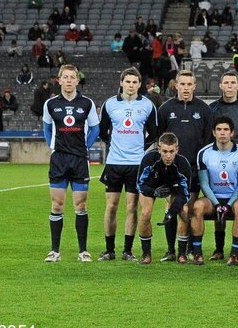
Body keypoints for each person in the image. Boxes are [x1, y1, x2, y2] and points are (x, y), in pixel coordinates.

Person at [97, 67, 158, 262]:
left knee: (132, 207)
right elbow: (102, 131)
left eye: (134, 82)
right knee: (111, 206)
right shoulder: (110, 104)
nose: (131, 85)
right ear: (121, 83)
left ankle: (127, 250)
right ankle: (109, 250)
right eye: (127, 81)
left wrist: (141, 146)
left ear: (139, 85)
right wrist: (114, 144)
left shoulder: (147, 105)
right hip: (114, 163)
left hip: (136, 165)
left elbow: (154, 132)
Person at [42, 64, 101, 262]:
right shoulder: (50, 104)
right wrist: (52, 147)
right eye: (65, 77)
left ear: (77, 80)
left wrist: (85, 147)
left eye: (72, 77)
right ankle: (54, 252)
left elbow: (95, 129)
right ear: (59, 80)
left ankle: (83, 251)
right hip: (59, 159)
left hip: (79, 160)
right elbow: (47, 128)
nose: (68, 80)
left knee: (81, 205)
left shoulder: (87, 103)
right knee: (57, 205)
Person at [156, 69, 213, 262]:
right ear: (176, 85)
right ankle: (171, 250)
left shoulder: (204, 110)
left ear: (194, 86)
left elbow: (207, 142)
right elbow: (161, 139)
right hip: (170, 169)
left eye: (189, 84)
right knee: (171, 205)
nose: (186, 88)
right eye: (182, 84)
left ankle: (187, 248)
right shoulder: (165, 109)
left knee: (187, 208)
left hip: (193, 170)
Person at [190, 116, 238, 266]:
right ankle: (197, 253)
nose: (222, 133)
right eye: (219, 129)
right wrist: (217, 204)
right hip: (212, 198)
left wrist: (228, 204)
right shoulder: (204, 153)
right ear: (213, 132)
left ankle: (234, 254)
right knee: (197, 207)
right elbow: (204, 184)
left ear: (232, 133)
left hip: (234, 197)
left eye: (226, 129)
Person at [135, 133, 192, 265]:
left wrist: (171, 212)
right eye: (165, 151)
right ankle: (146, 254)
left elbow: (184, 194)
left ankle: (181, 253)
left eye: (171, 151)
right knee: (145, 213)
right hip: (151, 187)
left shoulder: (183, 164)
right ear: (159, 149)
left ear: (177, 149)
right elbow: (140, 184)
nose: (168, 156)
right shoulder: (149, 159)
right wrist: (154, 192)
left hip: (173, 188)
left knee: (184, 211)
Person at [210, 70, 238, 153]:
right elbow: (208, 137)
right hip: (217, 156)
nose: (229, 86)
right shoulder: (212, 108)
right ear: (220, 86)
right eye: (226, 83)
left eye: (233, 83)